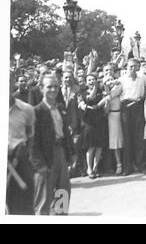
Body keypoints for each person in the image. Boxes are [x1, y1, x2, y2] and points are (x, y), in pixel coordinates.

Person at [30, 75, 74, 215]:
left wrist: (70, 153)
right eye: (49, 86)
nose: (53, 89)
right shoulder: (36, 111)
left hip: (61, 153)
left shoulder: (60, 108)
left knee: (63, 193)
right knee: (44, 199)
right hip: (46, 158)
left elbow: (65, 133)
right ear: (42, 89)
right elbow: (32, 142)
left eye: (56, 86)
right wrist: (39, 164)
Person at [118, 58, 146, 175]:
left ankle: (141, 165)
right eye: (130, 67)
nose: (132, 69)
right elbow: (113, 92)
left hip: (138, 107)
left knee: (139, 137)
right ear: (126, 67)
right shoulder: (121, 79)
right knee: (127, 138)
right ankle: (127, 168)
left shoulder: (142, 77)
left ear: (138, 67)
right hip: (126, 108)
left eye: (135, 67)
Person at [8, 73, 35, 215]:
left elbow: (30, 136)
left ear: (12, 82)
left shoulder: (26, 109)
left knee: (24, 207)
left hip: (19, 161)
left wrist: (24, 151)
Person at [79, 73, 107, 179]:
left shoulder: (101, 92)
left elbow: (106, 99)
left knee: (99, 146)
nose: (91, 81)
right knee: (91, 146)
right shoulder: (83, 92)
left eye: (93, 79)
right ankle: (89, 168)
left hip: (99, 120)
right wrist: (95, 87)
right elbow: (89, 99)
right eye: (89, 80)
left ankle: (96, 167)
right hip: (89, 122)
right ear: (86, 82)